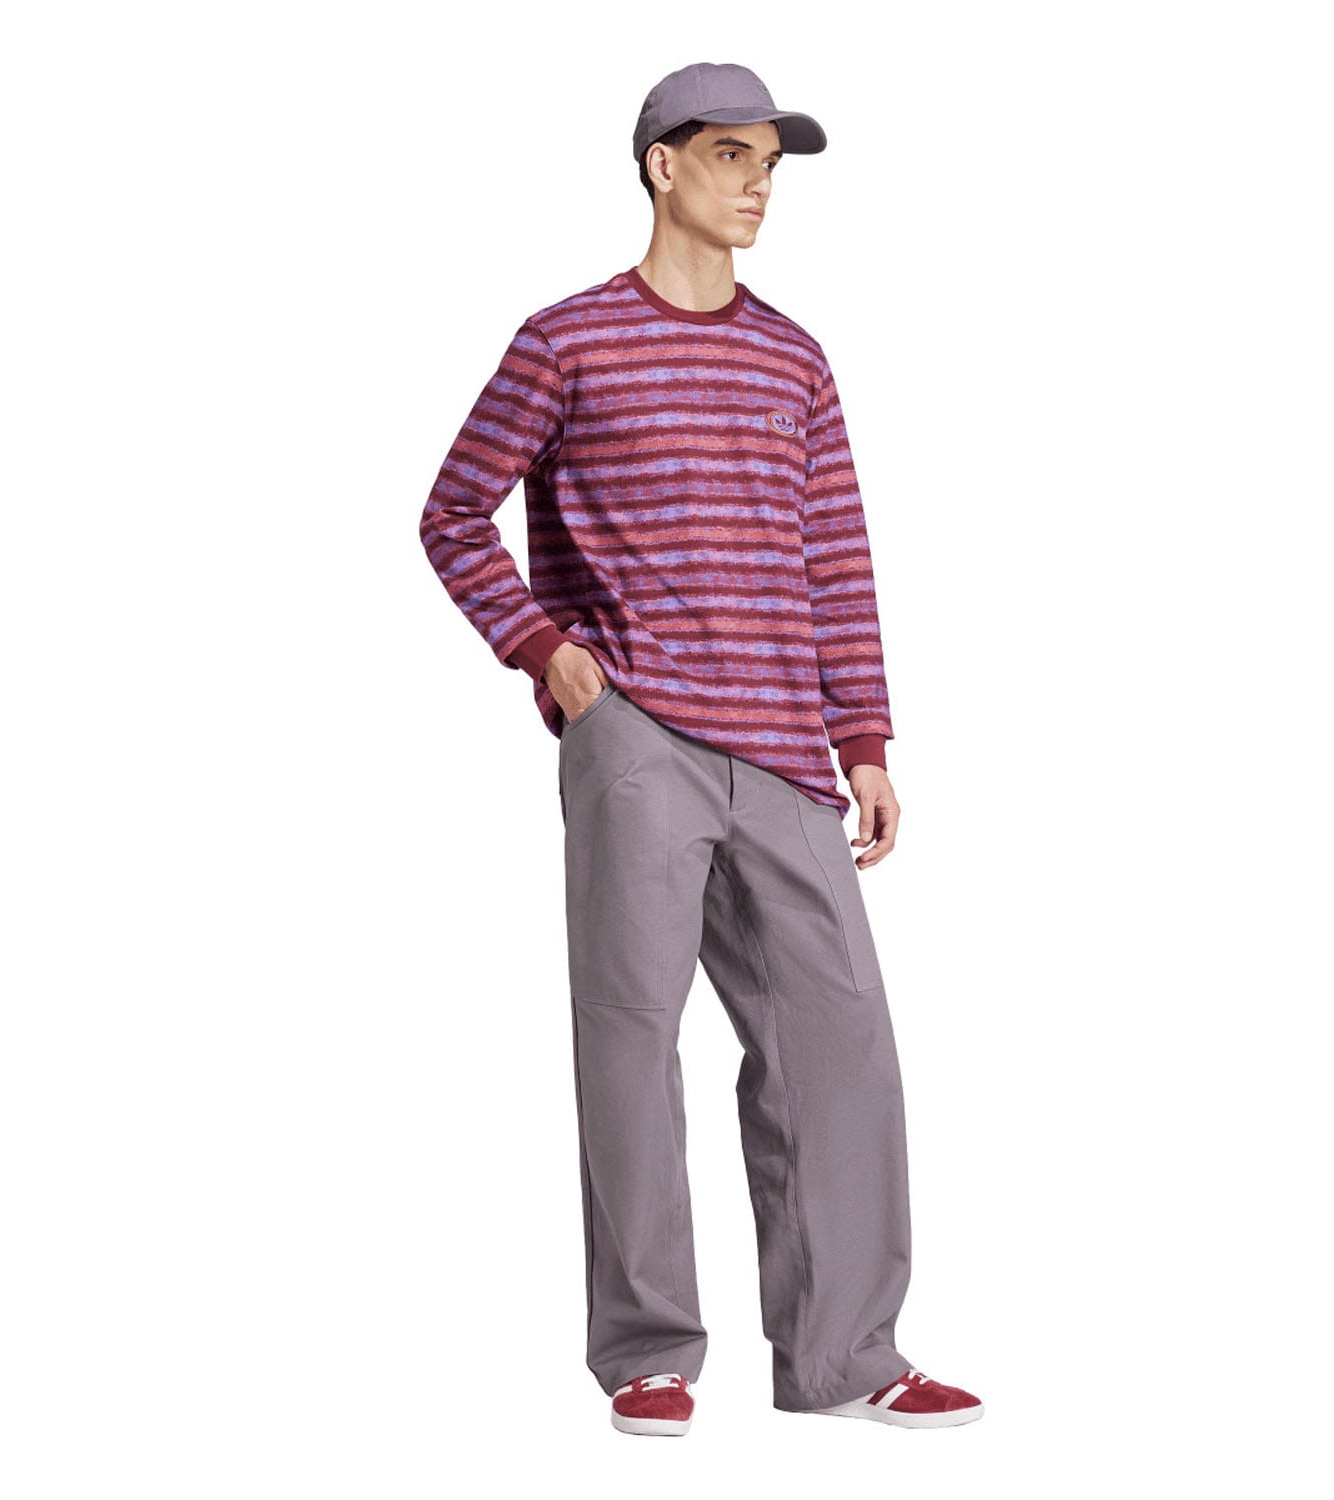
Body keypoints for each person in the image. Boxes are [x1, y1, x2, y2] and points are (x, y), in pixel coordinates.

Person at [419, 61, 983, 1436]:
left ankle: (847, 1356)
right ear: (661, 164)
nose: (757, 185)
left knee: (840, 1045)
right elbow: (450, 514)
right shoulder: (565, 342)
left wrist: (863, 735)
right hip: (636, 737)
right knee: (630, 1038)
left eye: (769, 164)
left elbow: (834, 555)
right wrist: (546, 652)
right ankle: (649, 1351)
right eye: (732, 156)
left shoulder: (795, 358)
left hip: (786, 747)